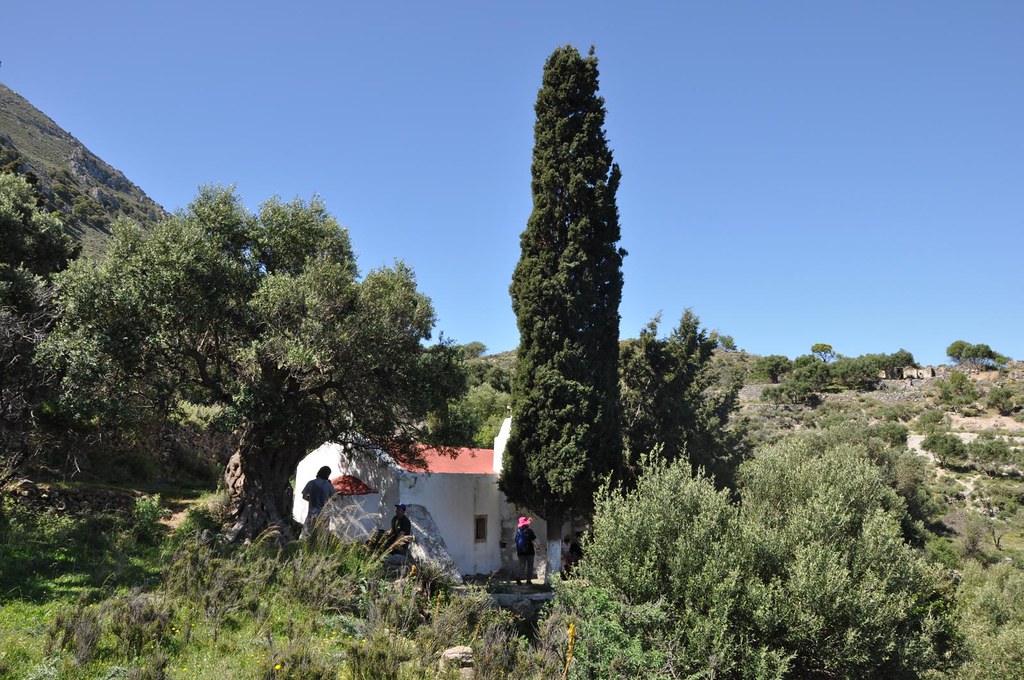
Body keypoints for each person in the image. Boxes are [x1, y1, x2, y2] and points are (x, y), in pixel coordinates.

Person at [301, 465, 335, 537]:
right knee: (322, 536)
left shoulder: (311, 483)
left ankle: (305, 547)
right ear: (328, 475)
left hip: (312, 513)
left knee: (307, 535)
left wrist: (310, 499)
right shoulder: (329, 485)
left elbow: (304, 496)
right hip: (324, 514)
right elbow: (334, 498)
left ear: (319, 472)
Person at [514, 516, 537, 585]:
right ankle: (528, 580)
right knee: (530, 566)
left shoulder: (518, 532)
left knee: (521, 566)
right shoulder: (529, 531)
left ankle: (518, 577)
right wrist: (537, 548)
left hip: (520, 552)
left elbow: (516, 541)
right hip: (530, 552)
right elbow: (533, 540)